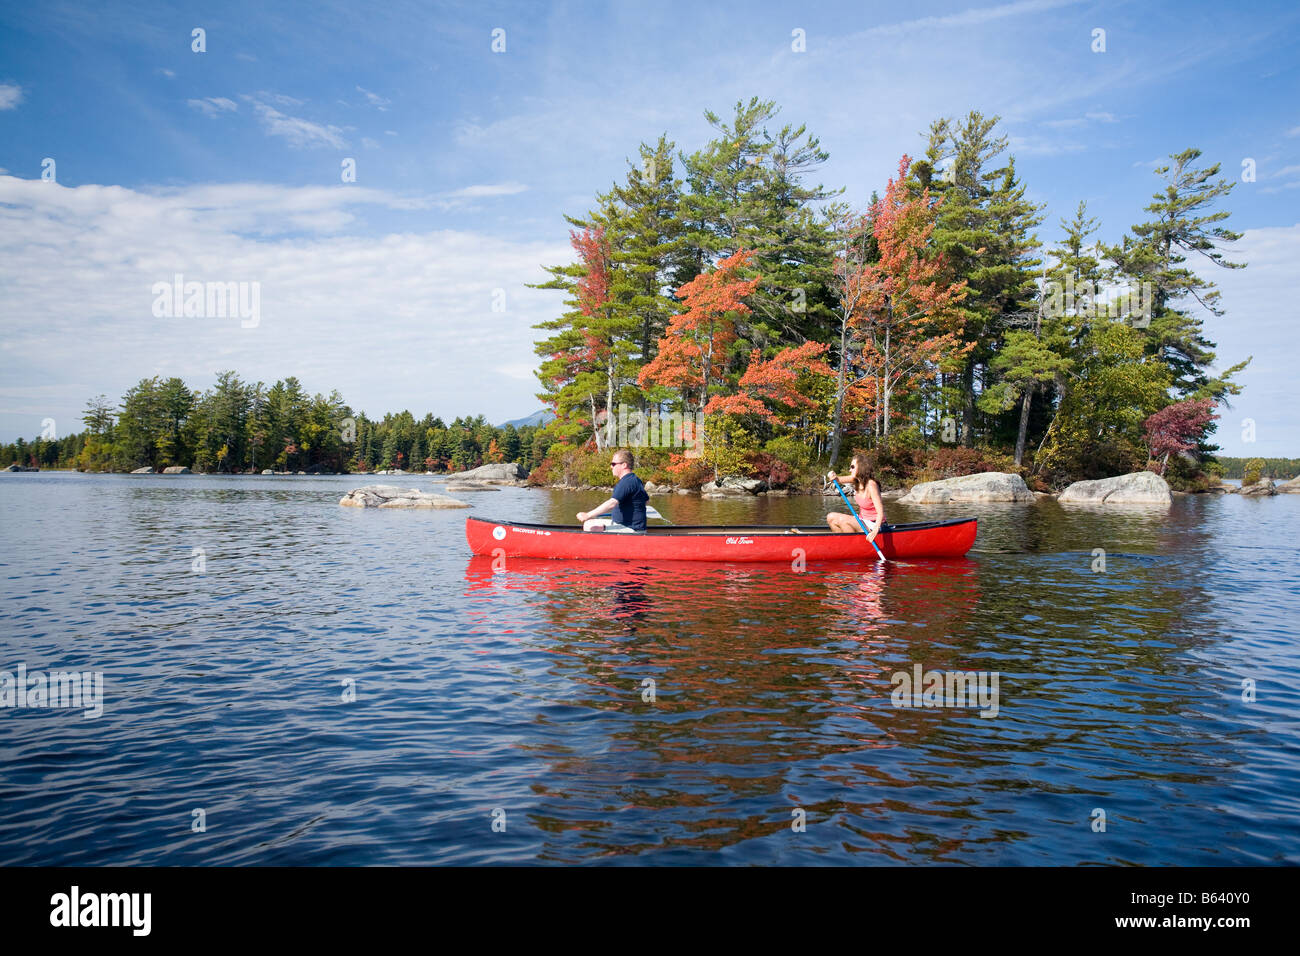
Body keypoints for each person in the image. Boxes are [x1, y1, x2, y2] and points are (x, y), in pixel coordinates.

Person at [577, 448, 648, 532]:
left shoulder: (627, 482)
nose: (611, 467)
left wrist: (588, 515)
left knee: (589, 525)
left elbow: (612, 503)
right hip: (631, 527)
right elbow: (646, 501)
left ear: (624, 465)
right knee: (591, 522)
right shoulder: (635, 480)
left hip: (631, 530)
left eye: (613, 464)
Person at [825, 453, 885, 541]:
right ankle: (841, 544)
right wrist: (833, 476)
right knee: (830, 517)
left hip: (874, 525)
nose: (850, 470)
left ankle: (851, 545)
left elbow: (881, 512)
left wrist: (875, 530)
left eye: (852, 467)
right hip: (863, 520)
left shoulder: (871, 485)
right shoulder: (856, 480)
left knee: (844, 521)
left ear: (861, 467)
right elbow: (837, 479)